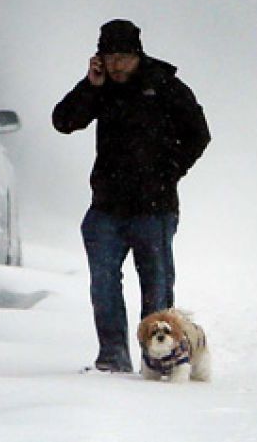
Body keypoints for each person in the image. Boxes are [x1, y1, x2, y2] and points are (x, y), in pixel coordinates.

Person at [52, 19, 210, 373]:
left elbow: (199, 134)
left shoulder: (165, 85)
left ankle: (159, 362)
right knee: (104, 284)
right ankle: (112, 359)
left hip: (154, 209)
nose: (117, 65)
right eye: (110, 58)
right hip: (106, 207)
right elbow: (63, 121)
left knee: (156, 286)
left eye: (123, 57)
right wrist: (90, 87)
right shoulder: (101, 87)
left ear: (137, 55)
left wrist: (169, 171)